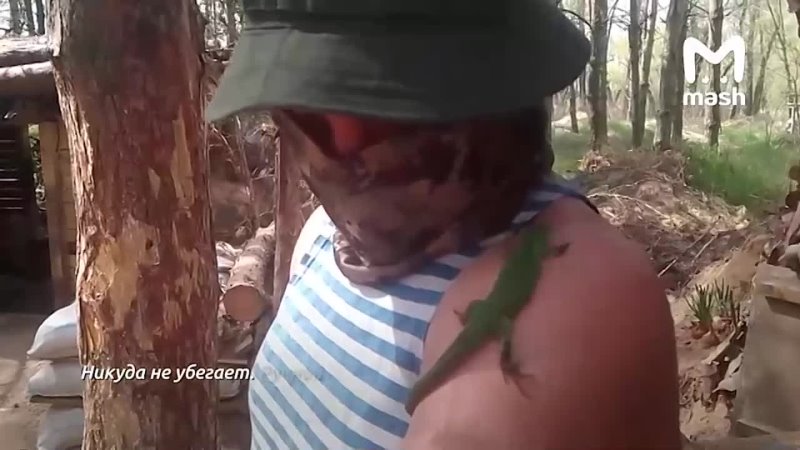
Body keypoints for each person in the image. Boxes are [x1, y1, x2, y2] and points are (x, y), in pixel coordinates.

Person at [207, 0, 682, 448]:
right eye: (303, 99)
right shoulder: (319, 236)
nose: (344, 143)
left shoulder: (585, 288)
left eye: (386, 98)